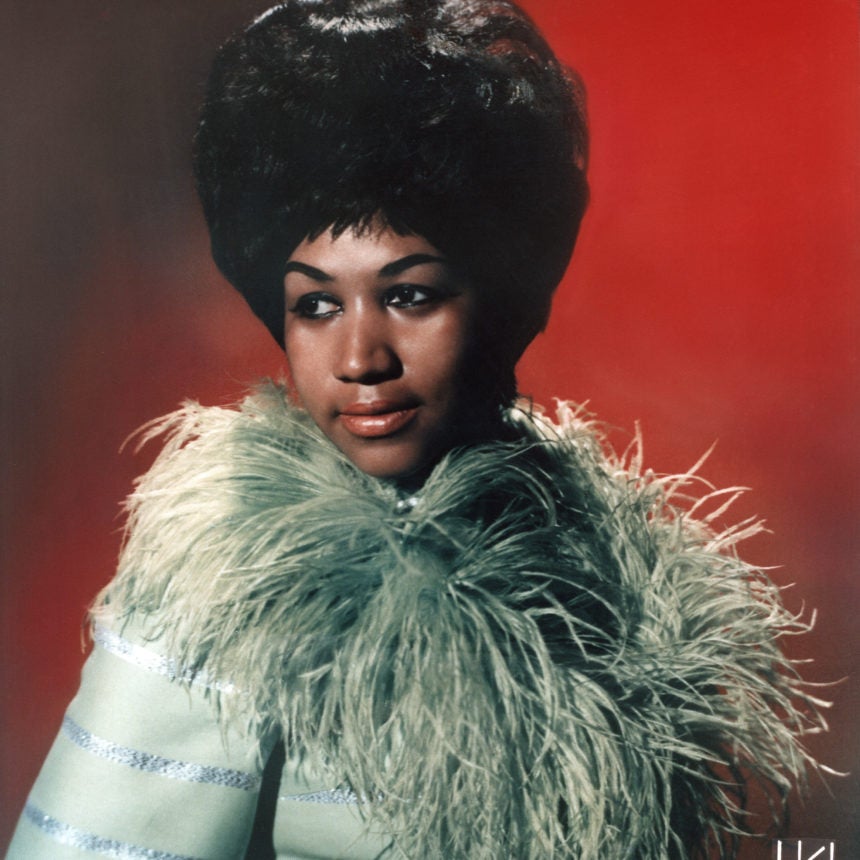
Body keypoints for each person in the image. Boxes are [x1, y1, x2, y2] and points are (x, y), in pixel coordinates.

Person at [7, 1, 822, 858]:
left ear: (499, 297)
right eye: (316, 305)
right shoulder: (229, 600)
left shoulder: (607, 593)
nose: (360, 358)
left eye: (409, 295)